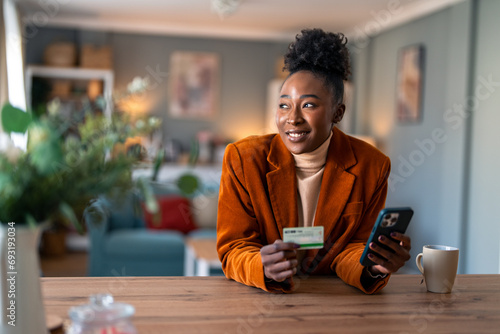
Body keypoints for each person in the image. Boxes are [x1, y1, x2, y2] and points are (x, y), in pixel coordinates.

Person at [216, 28, 411, 294]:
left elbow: (353, 247)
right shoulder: (243, 159)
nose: (292, 118)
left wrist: (374, 265)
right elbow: (234, 247)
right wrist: (260, 264)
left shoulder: (371, 165)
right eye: (284, 105)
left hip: (335, 300)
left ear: (337, 112)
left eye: (308, 105)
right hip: (264, 299)